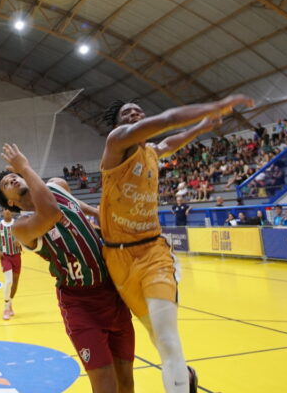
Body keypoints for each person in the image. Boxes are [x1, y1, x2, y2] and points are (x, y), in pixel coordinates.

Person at [99, 94, 252, 393]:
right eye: (127, 112)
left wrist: (202, 126)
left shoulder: (152, 151)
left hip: (153, 252)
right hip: (118, 259)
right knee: (158, 339)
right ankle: (185, 374)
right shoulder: (117, 143)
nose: (134, 114)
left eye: (138, 110)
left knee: (168, 340)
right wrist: (212, 107)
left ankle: (179, 378)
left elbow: (171, 141)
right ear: (118, 124)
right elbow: (167, 120)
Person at [0, 144, 134, 393]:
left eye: (13, 175)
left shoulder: (58, 184)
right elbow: (50, 212)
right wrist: (24, 167)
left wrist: (95, 212)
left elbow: (70, 200)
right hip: (80, 304)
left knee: (126, 382)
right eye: (7, 184)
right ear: (10, 202)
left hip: (112, 293)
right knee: (105, 385)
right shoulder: (22, 227)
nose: (12, 178)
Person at [0, 208, 22, 321]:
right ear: (2, 212)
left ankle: (10, 304)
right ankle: (5, 308)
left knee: (15, 283)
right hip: (5, 256)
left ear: (12, 212)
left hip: (17, 255)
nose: (7, 211)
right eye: (5, 210)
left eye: (9, 210)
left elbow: (24, 236)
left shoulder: (17, 223)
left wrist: (20, 241)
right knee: (8, 281)